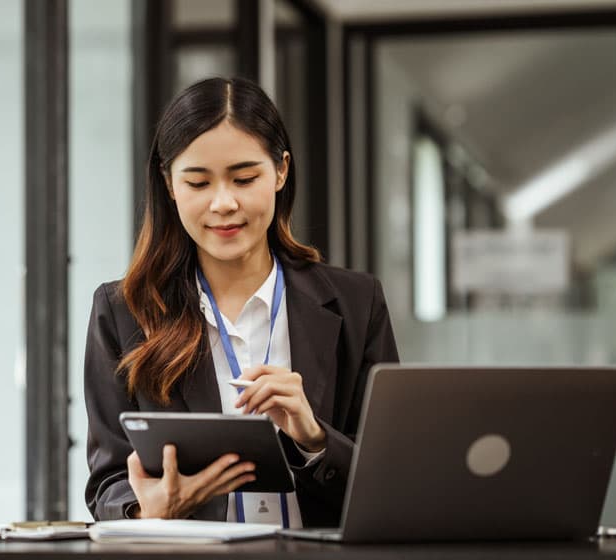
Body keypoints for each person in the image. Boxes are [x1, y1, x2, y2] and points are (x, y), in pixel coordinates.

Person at [83, 76, 398, 528]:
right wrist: (145, 509)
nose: (224, 203)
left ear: (281, 172)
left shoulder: (355, 303)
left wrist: (313, 438)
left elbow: (393, 478)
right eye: (197, 183)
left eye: (245, 178)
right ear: (169, 185)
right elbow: (108, 483)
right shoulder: (123, 311)